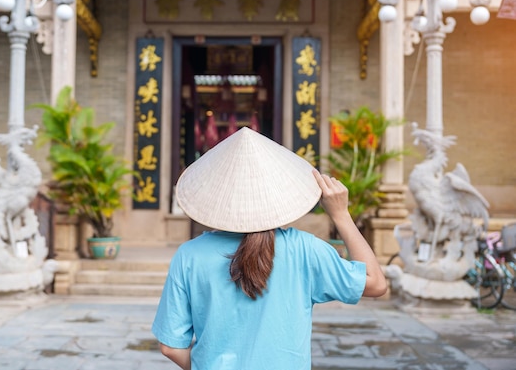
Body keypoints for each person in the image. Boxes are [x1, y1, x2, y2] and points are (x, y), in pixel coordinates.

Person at [152, 127, 387, 370]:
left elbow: (171, 347)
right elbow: (376, 283)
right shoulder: (304, 249)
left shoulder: (190, 255)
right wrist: (340, 215)